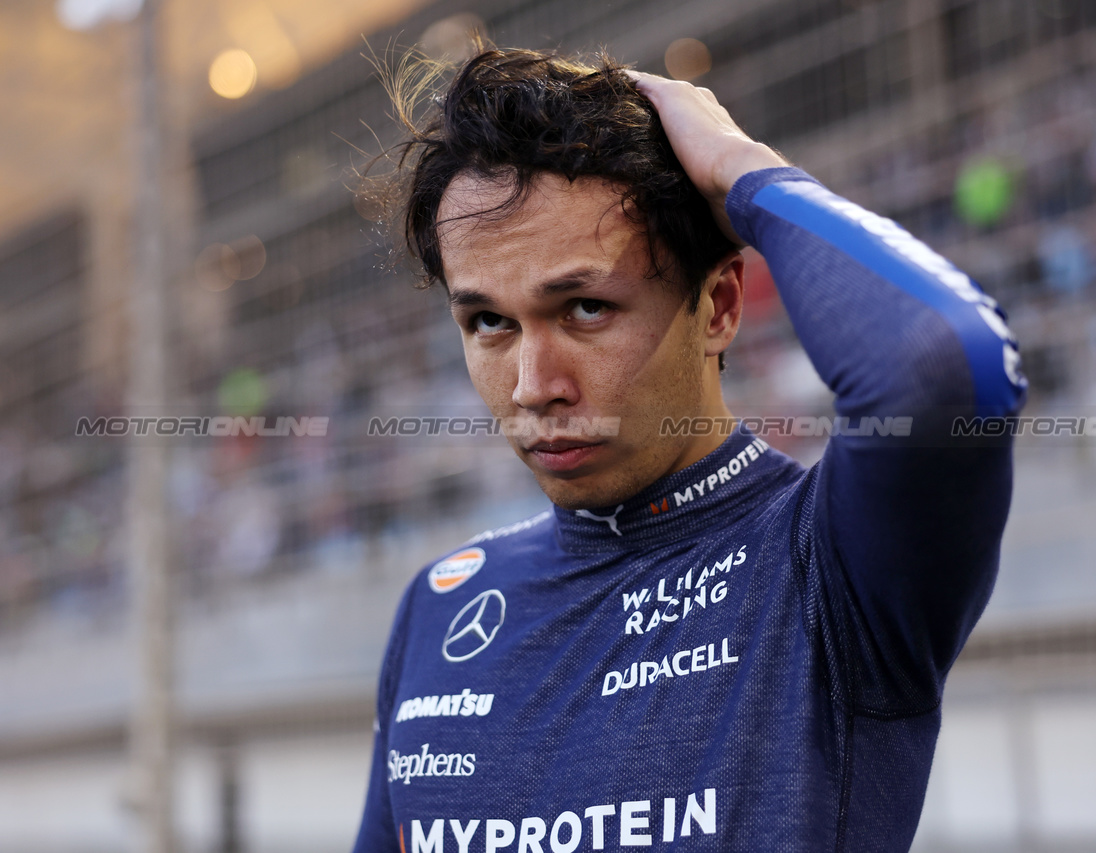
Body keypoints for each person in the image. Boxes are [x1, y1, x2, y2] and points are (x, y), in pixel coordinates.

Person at [353, 46, 1025, 853]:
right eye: (488, 322)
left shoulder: (829, 561)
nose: (534, 384)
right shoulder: (441, 604)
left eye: (587, 307)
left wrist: (743, 172)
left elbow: (943, 367)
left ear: (720, 306)